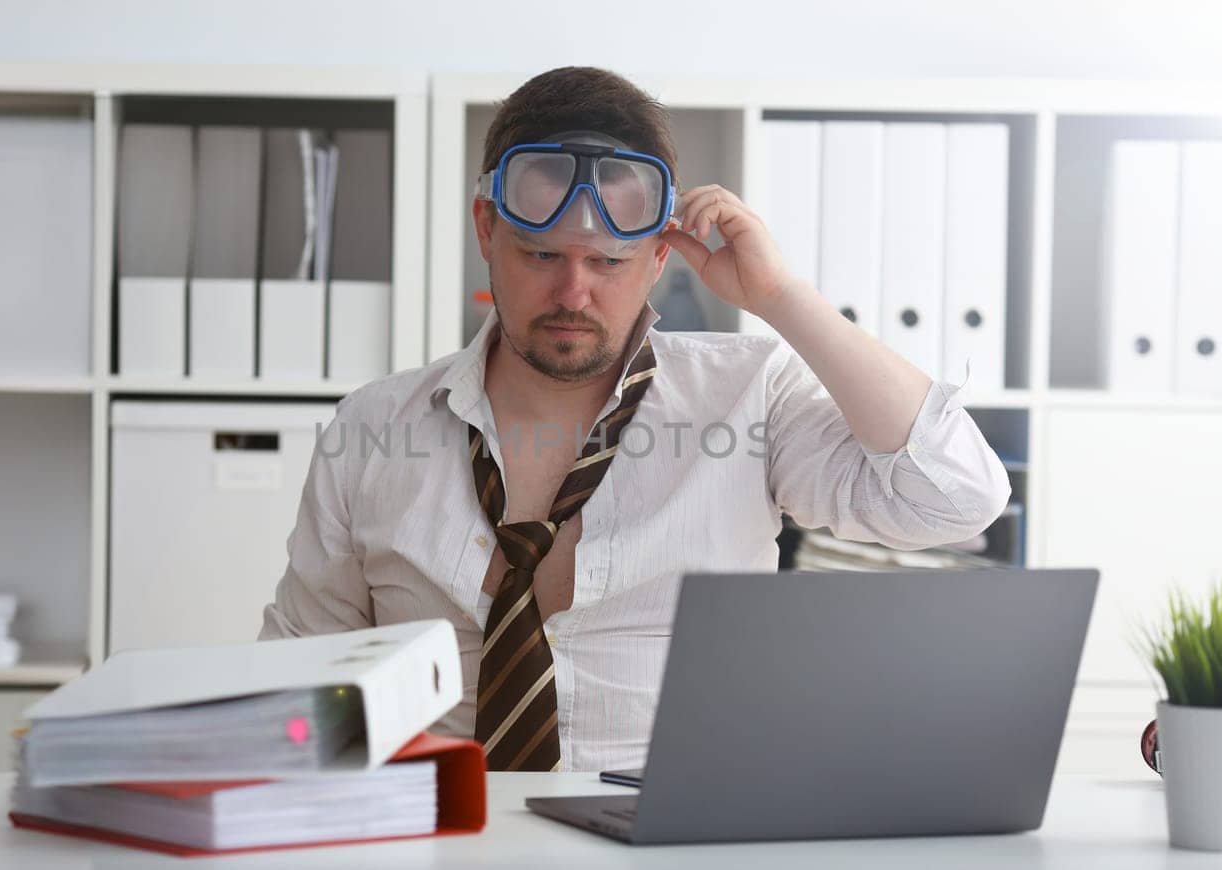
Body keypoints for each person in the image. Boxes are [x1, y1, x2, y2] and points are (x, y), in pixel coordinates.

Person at [261, 66, 1011, 773]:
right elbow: (298, 683)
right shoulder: (372, 428)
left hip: (676, 834)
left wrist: (781, 297)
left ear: (660, 255)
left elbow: (953, 498)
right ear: (486, 229)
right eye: (540, 253)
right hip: (443, 831)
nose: (573, 292)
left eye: (609, 263)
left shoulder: (749, 393)